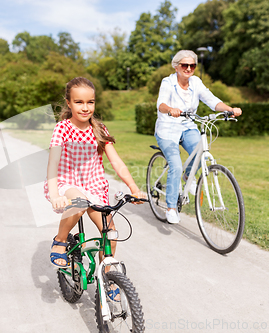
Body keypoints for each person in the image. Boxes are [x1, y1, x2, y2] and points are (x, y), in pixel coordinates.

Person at [45, 77, 145, 272]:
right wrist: (54, 194)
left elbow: (116, 161)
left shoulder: (99, 129)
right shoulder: (63, 128)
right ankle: (60, 240)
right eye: (79, 102)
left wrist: (133, 188)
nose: (85, 107)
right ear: (69, 103)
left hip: (94, 185)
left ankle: (106, 277)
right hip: (68, 183)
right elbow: (53, 163)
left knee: (111, 234)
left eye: (90, 102)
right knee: (79, 202)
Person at [155, 50, 242, 224]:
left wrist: (229, 109)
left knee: (201, 152)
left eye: (192, 65)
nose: (188, 68)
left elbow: (211, 100)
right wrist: (170, 109)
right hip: (168, 128)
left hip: (187, 126)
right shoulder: (168, 82)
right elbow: (161, 104)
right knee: (176, 165)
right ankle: (171, 207)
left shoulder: (195, 82)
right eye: (184, 65)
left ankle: (189, 176)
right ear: (176, 66)